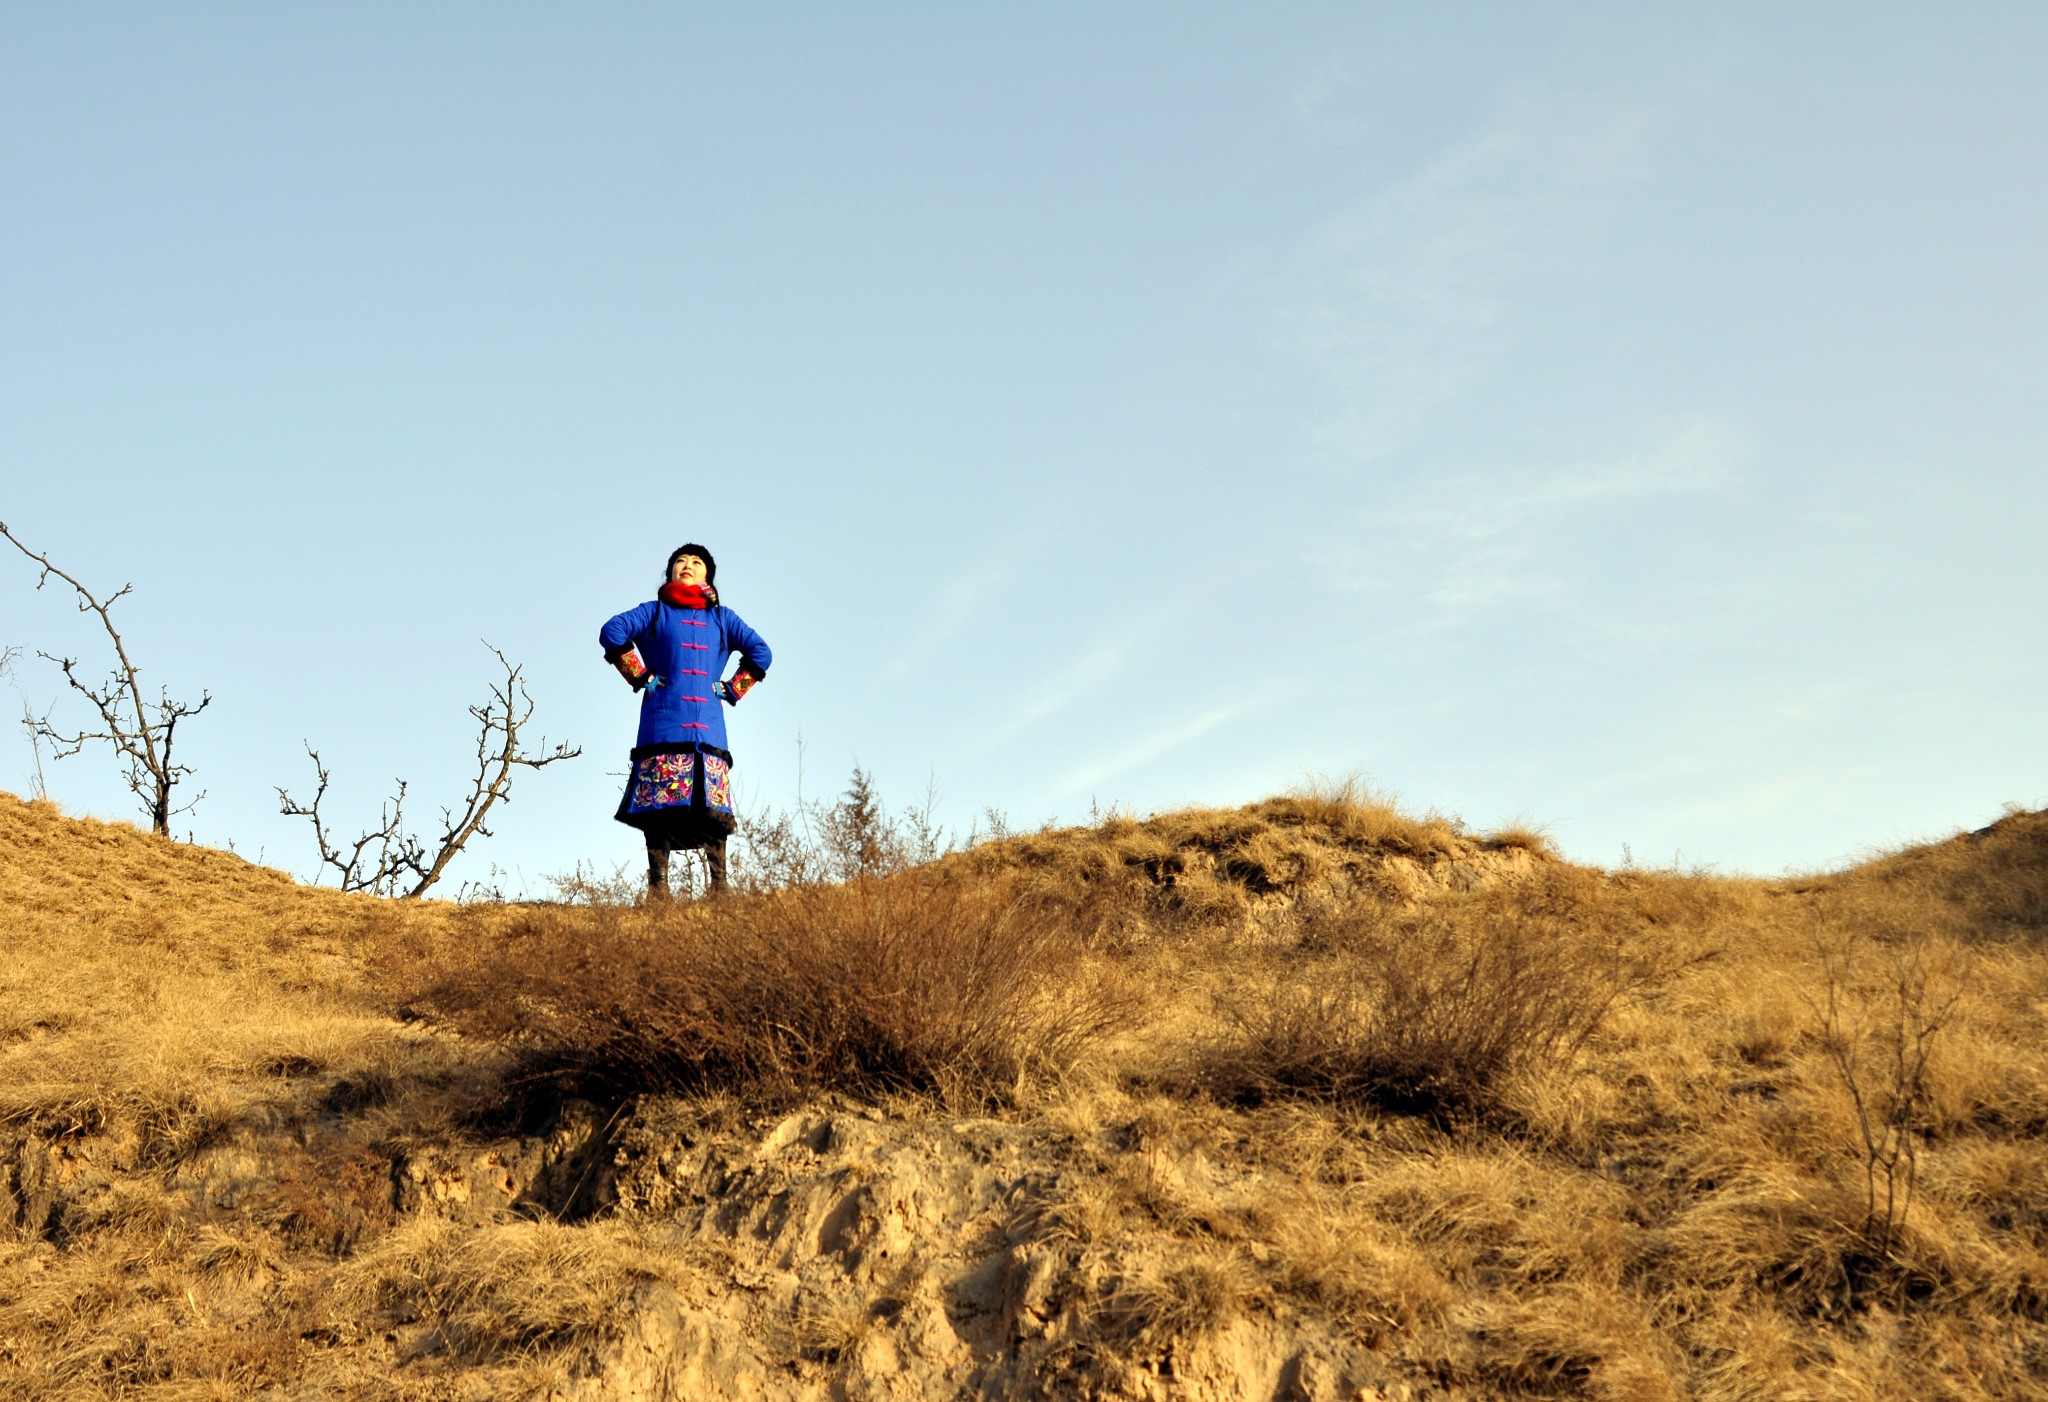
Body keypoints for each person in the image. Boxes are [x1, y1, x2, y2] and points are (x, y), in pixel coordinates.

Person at [599, 544, 771, 896]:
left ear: (707, 574)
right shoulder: (655, 612)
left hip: (709, 729)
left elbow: (761, 652)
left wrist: (733, 688)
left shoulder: (723, 618)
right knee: (659, 811)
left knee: (712, 811)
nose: (687, 566)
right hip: (662, 724)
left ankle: (719, 887)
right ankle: (658, 888)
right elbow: (612, 630)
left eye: (696, 562)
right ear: (670, 573)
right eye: (680, 562)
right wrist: (641, 675)